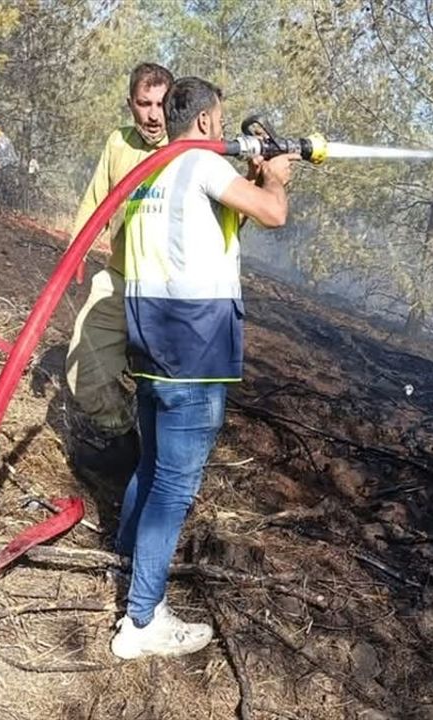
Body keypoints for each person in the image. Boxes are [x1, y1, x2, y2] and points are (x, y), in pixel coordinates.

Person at [109, 77, 294, 659]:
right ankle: (142, 621)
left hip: (150, 339)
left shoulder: (149, 169)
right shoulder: (201, 164)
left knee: (153, 461)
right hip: (193, 348)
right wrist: (277, 179)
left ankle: (128, 558)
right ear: (210, 121)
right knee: (175, 486)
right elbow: (271, 214)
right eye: (223, 119)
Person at [65, 62, 173, 440]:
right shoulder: (119, 142)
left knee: (167, 384)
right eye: (145, 104)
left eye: (162, 104)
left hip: (167, 289)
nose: (154, 115)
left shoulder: (187, 149)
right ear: (131, 104)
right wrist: (76, 251)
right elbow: (96, 199)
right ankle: (117, 434)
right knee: (85, 363)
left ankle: (161, 453)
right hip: (119, 276)